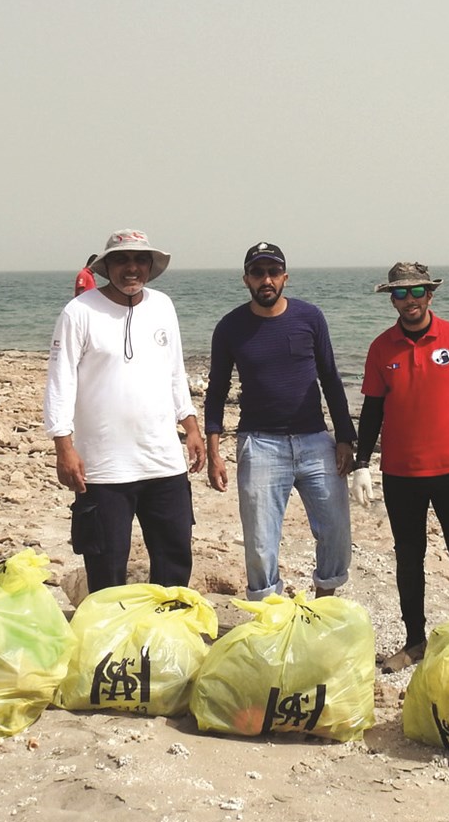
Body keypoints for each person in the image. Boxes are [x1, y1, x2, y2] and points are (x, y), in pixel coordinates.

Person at [44, 229, 206, 594]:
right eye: (121, 260)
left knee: (174, 560)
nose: (131, 268)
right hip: (103, 468)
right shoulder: (79, 312)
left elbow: (175, 371)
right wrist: (63, 447)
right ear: (106, 267)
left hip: (163, 462)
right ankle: (111, 645)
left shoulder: (163, 305)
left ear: (150, 265)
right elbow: (60, 381)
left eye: (139, 260)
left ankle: (166, 640)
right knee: (106, 568)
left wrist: (191, 426)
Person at [352, 261, 449, 671]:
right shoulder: (382, 347)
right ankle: (415, 642)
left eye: (416, 293)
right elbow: (372, 410)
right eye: (400, 294)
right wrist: (362, 464)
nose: (409, 301)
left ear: (430, 294)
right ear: (390, 299)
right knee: (409, 558)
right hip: (400, 474)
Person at [204, 242, 357, 599]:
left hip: (315, 441)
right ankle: (268, 614)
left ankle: (324, 603)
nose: (266, 280)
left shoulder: (310, 317)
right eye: (258, 273)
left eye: (273, 272)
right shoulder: (230, 327)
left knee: (335, 529)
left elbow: (331, 379)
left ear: (285, 277)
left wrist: (346, 437)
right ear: (246, 280)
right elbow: (216, 390)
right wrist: (214, 451)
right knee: (260, 542)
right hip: (259, 445)